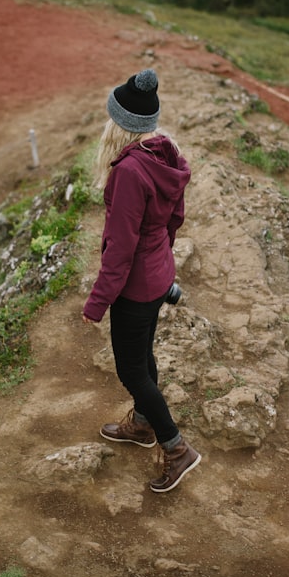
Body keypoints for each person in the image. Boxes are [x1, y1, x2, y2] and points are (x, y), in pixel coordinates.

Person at [82, 68, 201, 493]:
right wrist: (160, 259)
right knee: (142, 357)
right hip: (157, 277)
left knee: (132, 370)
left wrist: (96, 304)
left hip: (135, 287)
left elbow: (121, 248)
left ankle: (176, 448)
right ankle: (144, 424)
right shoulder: (165, 151)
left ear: (120, 123)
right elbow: (174, 218)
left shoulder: (130, 172)